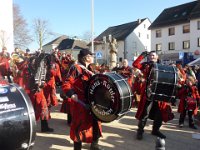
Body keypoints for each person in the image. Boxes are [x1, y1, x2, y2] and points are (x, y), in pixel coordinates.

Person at [62, 48, 104, 150]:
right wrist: (71, 93)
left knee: (95, 124)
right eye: (90, 56)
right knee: (78, 127)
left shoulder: (91, 68)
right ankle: (77, 148)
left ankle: (94, 146)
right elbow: (66, 83)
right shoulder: (76, 68)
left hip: (92, 101)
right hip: (80, 103)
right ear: (85, 58)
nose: (92, 57)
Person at [132, 51, 174, 140]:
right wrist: (142, 55)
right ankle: (140, 131)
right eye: (150, 55)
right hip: (148, 92)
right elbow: (135, 64)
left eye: (153, 55)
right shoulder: (145, 65)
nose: (152, 57)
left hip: (159, 91)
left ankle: (155, 130)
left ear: (157, 57)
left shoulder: (162, 66)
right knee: (145, 112)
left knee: (160, 112)